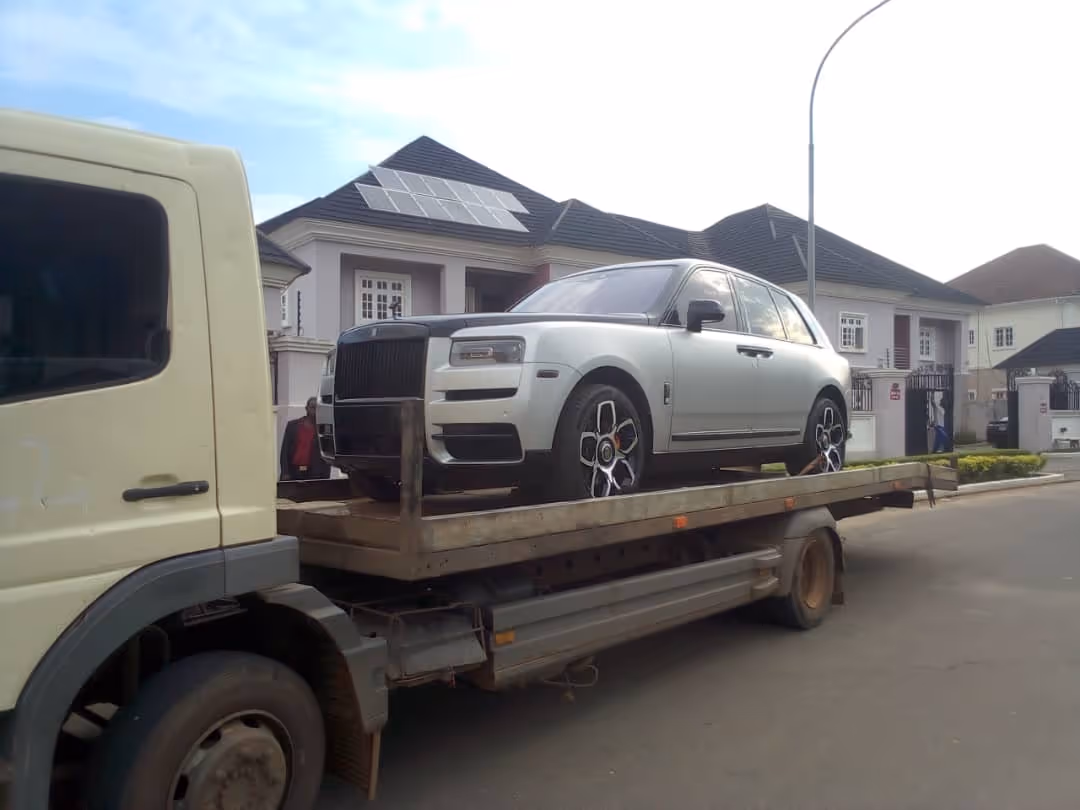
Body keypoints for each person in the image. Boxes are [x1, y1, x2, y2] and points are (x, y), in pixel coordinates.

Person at [280, 397, 330, 480]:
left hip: (315, 473)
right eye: (312, 407)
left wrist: (325, 476)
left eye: (318, 408)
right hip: (294, 471)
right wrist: (285, 472)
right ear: (306, 408)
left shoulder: (324, 429)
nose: (315, 410)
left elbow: (327, 453)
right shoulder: (292, 425)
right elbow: (284, 451)